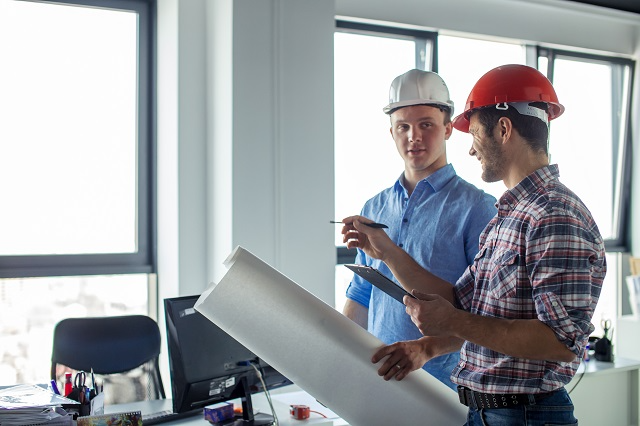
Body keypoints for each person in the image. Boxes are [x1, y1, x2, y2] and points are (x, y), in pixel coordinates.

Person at [342, 64, 606, 425]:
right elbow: (461, 304)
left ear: (503, 128)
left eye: (475, 133)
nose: (470, 150)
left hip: (525, 415)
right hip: (489, 413)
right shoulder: (509, 217)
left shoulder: (554, 214)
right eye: (402, 126)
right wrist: (386, 252)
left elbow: (560, 341)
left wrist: (448, 325)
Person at [341, 69, 496, 391]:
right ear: (391, 132)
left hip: (448, 390)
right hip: (381, 381)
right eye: (404, 127)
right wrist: (337, 361)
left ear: (449, 129)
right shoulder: (375, 207)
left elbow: (486, 318)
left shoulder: (478, 208)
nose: (414, 136)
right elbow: (361, 295)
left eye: (426, 124)